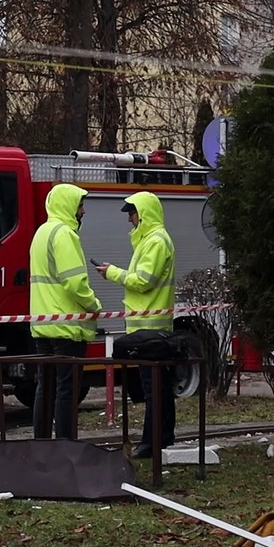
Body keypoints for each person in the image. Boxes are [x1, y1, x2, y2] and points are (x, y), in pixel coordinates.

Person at [97, 191, 177, 458]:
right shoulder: (150, 241)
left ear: (142, 213)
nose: (130, 220)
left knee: (153, 390)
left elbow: (143, 281)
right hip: (149, 327)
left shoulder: (155, 241)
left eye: (131, 214)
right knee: (159, 388)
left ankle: (152, 443)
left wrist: (112, 272)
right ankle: (162, 439)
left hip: (149, 330)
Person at [30, 183, 102, 439]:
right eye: (80, 205)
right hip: (67, 328)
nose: (83, 211)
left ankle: (41, 442)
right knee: (66, 390)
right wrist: (95, 306)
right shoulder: (65, 235)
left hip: (43, 325)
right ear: (69, 206)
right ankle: (65, 444)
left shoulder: (41, 233)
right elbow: (75, 282)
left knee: (44, 387)